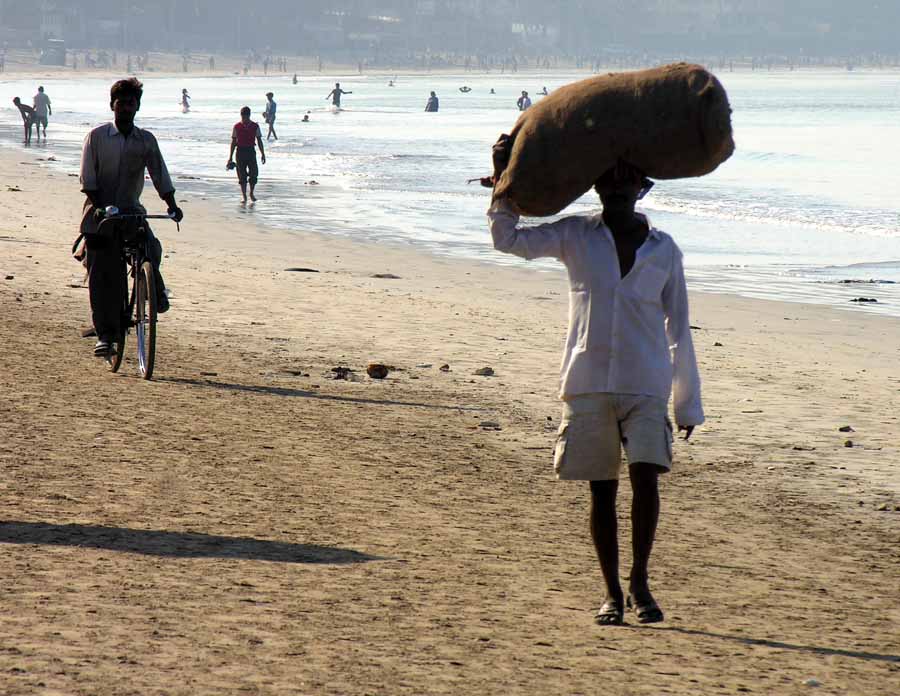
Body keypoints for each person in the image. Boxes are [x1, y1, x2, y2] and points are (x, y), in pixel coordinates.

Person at [488, 138, 704, 627]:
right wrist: (503, 182)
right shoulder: (575, 237)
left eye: (627, 182)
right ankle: (611, 593)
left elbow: (679, 326)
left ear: (643, 189)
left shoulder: (664, 250)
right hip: (587, 380)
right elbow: (509, 240)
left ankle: (641, 583)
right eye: (609, 181)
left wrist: (686, 404)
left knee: (646, 481)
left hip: (647, 382)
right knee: (602, 491)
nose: (618, 189)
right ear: (597, 186)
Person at [79, 78, 184, 357]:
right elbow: (88, 182)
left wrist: (172, 205)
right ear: (112, 105)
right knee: (104, 273)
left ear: (137, 107)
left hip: (130, 212)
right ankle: (106, 336)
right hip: (100, 214)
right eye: (121, 103)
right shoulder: (97, 137)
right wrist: (102, 207)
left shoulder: (145, 140)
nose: (126, 108)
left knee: (151, 248)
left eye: (131, 103)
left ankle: (152, 290)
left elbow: (160, 174)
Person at [227, 106, 266, 205]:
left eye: (246, 117)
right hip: (240, 151)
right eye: (243, 117)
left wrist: (263, 154)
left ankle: (251, 193)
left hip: (251, 151)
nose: (244, 119)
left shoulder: (255, 126)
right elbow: (233, 142)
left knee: (254, 174)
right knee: (241, 175)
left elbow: (259, 140)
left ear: (249, 115)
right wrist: (230, 157)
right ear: (241, 115)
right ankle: (244, 196)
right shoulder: (237, 126)